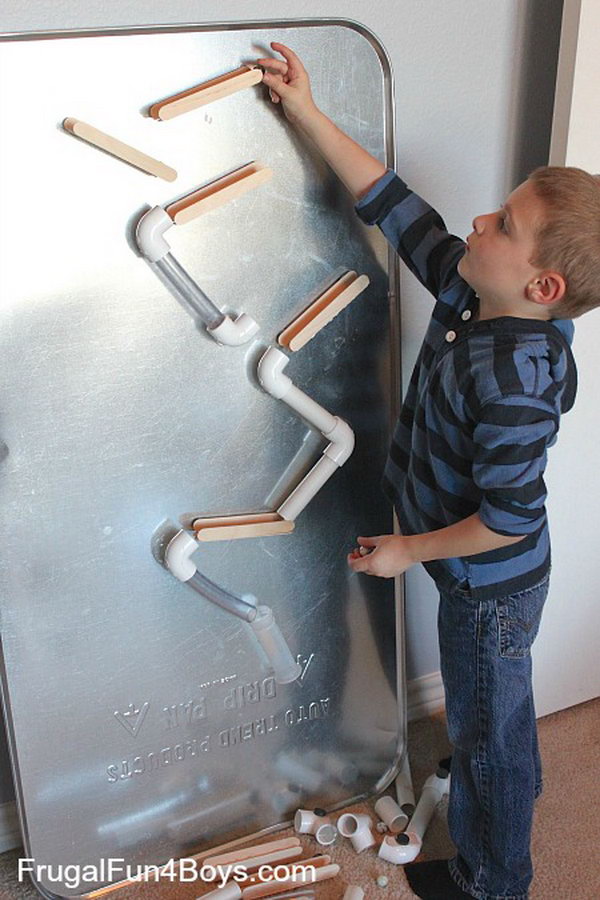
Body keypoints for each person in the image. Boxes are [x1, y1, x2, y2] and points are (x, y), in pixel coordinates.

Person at [257, 42, 600, 900]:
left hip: (487, 583)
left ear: (545, 287)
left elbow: (509, 518)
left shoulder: (514, 378)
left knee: (483, 728)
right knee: (496, 718)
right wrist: (306, 112)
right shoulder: (472, 289)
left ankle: (495, 879)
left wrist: (410, 549)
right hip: (471, 572)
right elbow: (396, 206)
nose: (480, 223)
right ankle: (509, 763)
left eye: (504, 226)